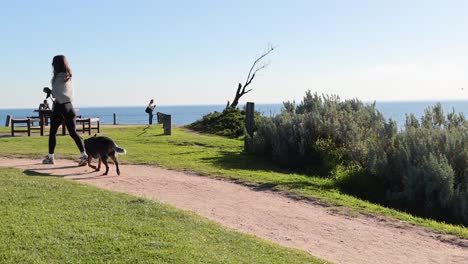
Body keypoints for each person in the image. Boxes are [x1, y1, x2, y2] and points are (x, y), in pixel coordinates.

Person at [42, 55, 88, 166]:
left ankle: (50, 158)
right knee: (73, 133)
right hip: (70, 107)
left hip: (60, 107)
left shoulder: (57, 77)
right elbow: (65, 93)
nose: (52, 65)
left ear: (56, 64)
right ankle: (84, 155)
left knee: (52, 132)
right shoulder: (69, 76)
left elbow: (57, 94)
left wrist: (49, 91)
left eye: (53, 63)